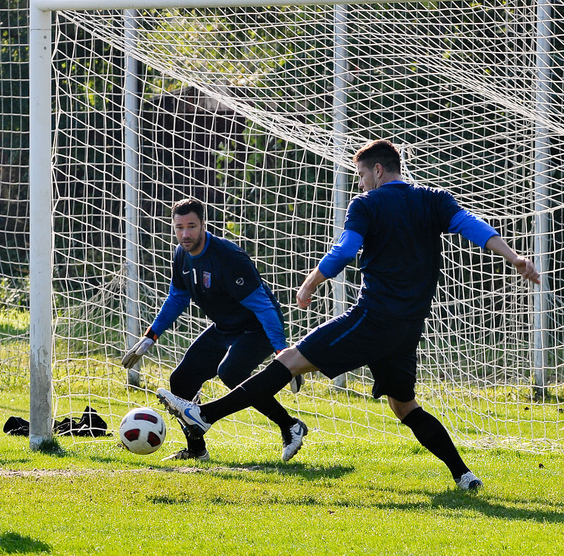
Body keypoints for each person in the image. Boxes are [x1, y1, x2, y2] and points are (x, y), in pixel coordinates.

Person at [157, 139, 541, 490]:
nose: (360, 183)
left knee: (289, 360)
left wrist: (310, 284)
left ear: (378, 170)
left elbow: (344, 251)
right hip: (408, 328)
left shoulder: (367, 205)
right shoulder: (434, 199)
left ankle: (206, 414)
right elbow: (473, 227)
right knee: (404, 406)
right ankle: (464, 475)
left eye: (360, 175)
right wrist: (514, 257)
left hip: (371, 318)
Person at [123, 198, 307, 462]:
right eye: (179, 227)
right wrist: (150, 337)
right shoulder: (181, 254)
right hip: (224, 329)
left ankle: (290, 425)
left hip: (257, 327)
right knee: (181, 380)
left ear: (203, 224)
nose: (185, 234)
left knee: (230, 372)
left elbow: (264, 307)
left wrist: (282, 352)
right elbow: (177, 298)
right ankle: (197, 450)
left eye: (191, 226)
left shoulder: (228, 257)